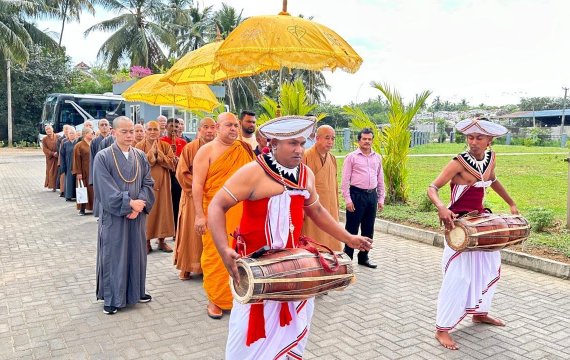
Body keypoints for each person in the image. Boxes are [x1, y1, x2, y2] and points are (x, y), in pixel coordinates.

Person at [207, 116, 373, 359]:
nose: (299, 149)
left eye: (302, 143)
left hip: (292, 268)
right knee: (245, 335)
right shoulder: (253, 172)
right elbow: (216, 206)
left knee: (294, 325)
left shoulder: (305, 174)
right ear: (274, 143)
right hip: (254, 268)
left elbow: (316, 210)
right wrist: (223, 249)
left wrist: (348, 237)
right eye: (292, 143)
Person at [427, 118, 517, 350]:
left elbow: (493, 180)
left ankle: (479, 313)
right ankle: (442, 329)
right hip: (459, 227)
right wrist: (441, 207)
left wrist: (511, 203)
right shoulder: (458, 162)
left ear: (490, 140)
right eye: (470, 137)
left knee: (487, 268)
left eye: (479, 138)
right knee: (458, 277)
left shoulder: (491, 158)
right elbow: (432, 187)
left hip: (481, 223)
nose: (473, 142)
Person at [192, 112, 254, 319]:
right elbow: (197, 185)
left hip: (243, 212)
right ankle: (215, 299)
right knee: (215, 255)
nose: (234, 129)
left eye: (236, 125)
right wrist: (199, 215)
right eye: (229, 125)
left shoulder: (243, 148)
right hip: (216, 214)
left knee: (242, 253)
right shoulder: (206, 151)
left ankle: (240, 294)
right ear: (217, 127)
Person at [93, 116, 155, 315]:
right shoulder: (103, 157)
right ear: (114, 133)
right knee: (115, 253)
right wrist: (129, 203)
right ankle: (112, 298)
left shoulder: (140, 155)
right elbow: (105, 189)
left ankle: (136, 291)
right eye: (124, 131)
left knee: (137, 253)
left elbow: (148, 183)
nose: (129, 135)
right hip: (115, 216)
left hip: (137, 216)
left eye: (132, 131)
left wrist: (138, 206)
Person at [174, 117, 217, 280]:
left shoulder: (220, 148)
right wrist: (201, 187)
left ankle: (209, 267)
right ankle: (187, 266)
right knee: (190, 232)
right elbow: (181, 173)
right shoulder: (190, 148)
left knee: (212, 232)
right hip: (193, 196)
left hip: (214, 197)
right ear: (199, 130)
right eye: (205, 127)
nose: (209, 131)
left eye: (212, 127)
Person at [341, 128, 385, 268]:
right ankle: (347, 259)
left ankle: (363, 257)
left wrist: (380, 198)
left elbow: (380, 179)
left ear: (372, 141)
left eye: (369, 139)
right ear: (359, 140)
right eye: (364, 139)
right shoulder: (351, 157)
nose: (367, 141)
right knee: (351, 229)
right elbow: (344, 181)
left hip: (371, 195)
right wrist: (348, 199)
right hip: (356, 195)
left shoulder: (377, 157)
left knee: (368, 229)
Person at [135, 121, 176, 253]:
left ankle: (162, 241)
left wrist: (160, 155)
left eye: (155, 129)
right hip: (146, 185)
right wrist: (151, 154)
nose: (153, 132)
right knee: (148, 212)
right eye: (150, 129)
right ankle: (146, 241)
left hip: (163, 184)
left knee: (163, 211)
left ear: (160, 131)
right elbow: (137, 165)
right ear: (145, 131)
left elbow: (172, 164)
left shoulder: (165, 146)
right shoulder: (139, 146)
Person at [301, 125, 342, 251]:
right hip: (312, 208)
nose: (330, 142)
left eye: (333, 139)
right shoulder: (306, 156)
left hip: (330, 205)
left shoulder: (333, 158)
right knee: (313, 241)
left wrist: (336, 205)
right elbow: (300, 186)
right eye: (327, 138)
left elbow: (334, 185)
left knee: (331, 239)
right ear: (317, 138)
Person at [160, 118, 187, 235]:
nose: (174, 129)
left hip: (178, 176)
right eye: (171, 126)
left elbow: (186, 160)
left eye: (176, 127)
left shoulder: (183, 142)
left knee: (177, 203)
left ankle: (177, 230)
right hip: (165, 176)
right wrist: (169, 153)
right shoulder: (161, 141)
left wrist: (177, 157)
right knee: (165, 204)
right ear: (166, 127)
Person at [90, 119, 110, 217]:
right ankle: (100, 214)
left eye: (106, 124)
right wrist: (93, 175)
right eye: (102, 125)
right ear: (98, 127)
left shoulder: (113, 140)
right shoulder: (94, 142)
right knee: (100, 193)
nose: (104, 126)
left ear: (109, 126)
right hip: (99, 171)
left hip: (111, 171)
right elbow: (92, 158)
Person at [73, 127, 95, 215]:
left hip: (92, 170)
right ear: (85, 134)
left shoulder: (93, 144)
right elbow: (76, 160)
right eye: (91, 133)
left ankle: (93, 207)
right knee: (83, 189)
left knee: (92, 190)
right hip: (83, 171)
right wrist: (78, 172)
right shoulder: (78, 146)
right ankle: (82, 208)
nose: (93, 134)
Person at [60, 127, 78, 201]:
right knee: (69, 180)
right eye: (70, 133)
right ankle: (68, 195)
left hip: (77, 164)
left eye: (73, 133)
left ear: (75, 134)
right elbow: (62, 155)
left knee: (76, 180)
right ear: (67, 134)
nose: (71, 135)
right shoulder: (65, 144)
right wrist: (63, 166)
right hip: (68, 164)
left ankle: (77, 195)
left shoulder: (78, 143)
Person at [42, 125, 60, 192]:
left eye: (49, 129)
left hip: (58, 157)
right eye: (46, 130)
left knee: (58, 171)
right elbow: (45, 149)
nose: (48, 130)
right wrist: (52, 153)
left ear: (52, 129)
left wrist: (58, 153)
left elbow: (61, 145)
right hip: (50, 158)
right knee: (51, 172)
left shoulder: (58, 137)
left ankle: (59, 185)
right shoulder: (45, 139)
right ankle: (53, 186)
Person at [57, 125, 70, 197]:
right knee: (63, 177)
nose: (67, 130)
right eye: (66, 129)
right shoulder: (62, 140)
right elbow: (59, 151)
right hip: (63, 160)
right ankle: (62, 191)